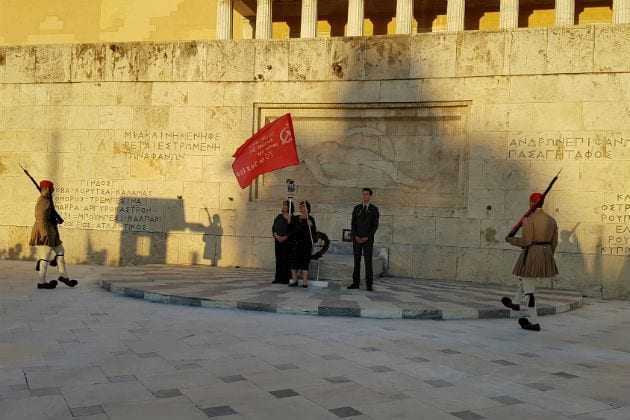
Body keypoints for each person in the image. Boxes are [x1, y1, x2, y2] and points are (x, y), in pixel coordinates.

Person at [502, 192, 558, 331]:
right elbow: (554, 243)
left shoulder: (529, 219)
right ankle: (515, 302)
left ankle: (534, 322)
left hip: (531, 254)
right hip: (545, 254)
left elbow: (526, 241)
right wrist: (547, 256)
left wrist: (511, 240)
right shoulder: (552, 220)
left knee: (529, 291)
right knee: (526, 280)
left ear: (531, 203)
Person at [29, 180, 78, 290]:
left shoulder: (48, 200)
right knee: (45, 257)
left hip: (52, 231)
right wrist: (44, 233)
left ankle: (63, 276)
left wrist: (56, 219)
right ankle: (41, 282)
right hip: (45, 231)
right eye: (49, 189)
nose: (50, 191)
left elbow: (51, 214)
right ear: (45, 189)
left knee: (60, 251)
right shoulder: (42, 201)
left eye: (50, 189)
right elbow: (40, 218)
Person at [349, 188, 379, 291]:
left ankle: (369, 284)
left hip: (368, 240)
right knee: (356, 261)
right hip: (357, 239)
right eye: (363, 194)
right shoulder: (357, 208)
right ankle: (355, 283)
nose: (365, 196)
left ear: (370, 196)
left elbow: (375, 226)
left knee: (368, 261)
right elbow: (353, 224)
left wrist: (367, 237)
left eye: (366, 194)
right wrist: (355, 236)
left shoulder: (374, 209)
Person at [288, 200, 316, 288]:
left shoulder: (310, 219)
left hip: (306, 244)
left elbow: (314, 233)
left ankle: (305, 282)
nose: (302, 208)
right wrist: (289, 222)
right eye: (300, 207)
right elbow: (291, 229)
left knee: (305, 263)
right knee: (294, 262)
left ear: (308, 208)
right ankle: (295, 280)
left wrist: (311, 225)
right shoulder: (295, 218)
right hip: (296, 244)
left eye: (303, 206)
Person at [272, 200, 292, 284]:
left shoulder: (291, 217)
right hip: (278, 241)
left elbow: (292, 230)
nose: (283, 207)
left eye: (286, 205)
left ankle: (286, 278)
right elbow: (273, 227)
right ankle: (278, 278)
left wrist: (285, 237)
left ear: (289, 207)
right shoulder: (278, 216)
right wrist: (276, 235)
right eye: (283, 205)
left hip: (286, 242)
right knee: (278, 259)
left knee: (286, 259)